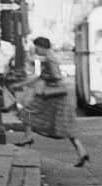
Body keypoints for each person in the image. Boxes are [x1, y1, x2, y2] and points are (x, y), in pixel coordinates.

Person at [14, 36, 91, 164]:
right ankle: (82, 152)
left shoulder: (50, 59)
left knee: (27, 111)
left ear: (42, 47)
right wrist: (22, 83)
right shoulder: (49, 58)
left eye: (37, 47)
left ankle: (28, 137)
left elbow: (56, 77)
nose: (36, 50)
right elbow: (41, 77)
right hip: (55, 96)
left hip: (53, 95)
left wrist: (47, 83)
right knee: (65, 124)